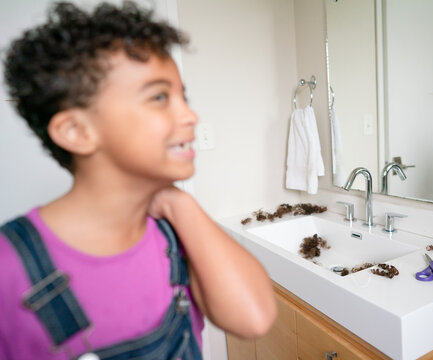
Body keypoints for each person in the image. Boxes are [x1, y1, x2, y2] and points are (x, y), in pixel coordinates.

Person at [0, 2, 277, 359]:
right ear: (76, 130)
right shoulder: (9, 266)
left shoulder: (175, 231)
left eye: (183, 96)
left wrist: (180, 203)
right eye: (160, 96)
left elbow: (254, 320)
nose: (190, 115)